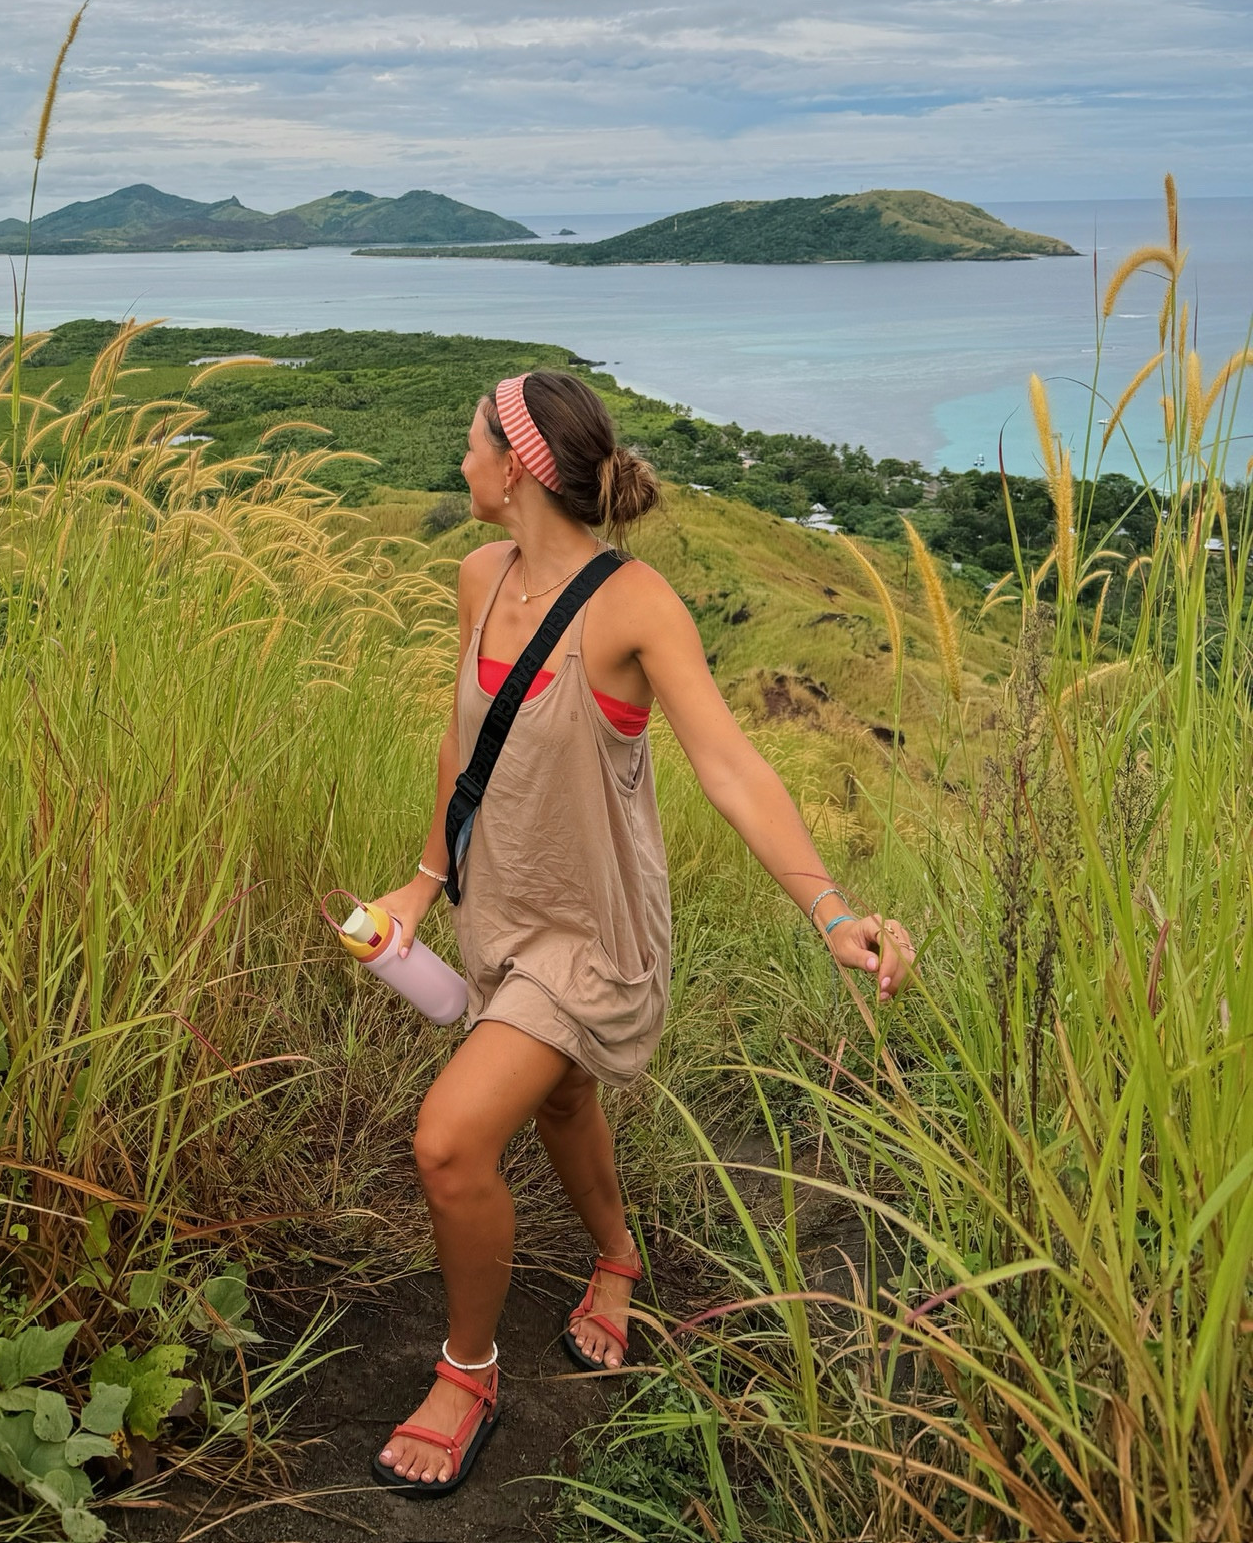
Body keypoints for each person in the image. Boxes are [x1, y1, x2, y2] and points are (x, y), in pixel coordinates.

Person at [369, 369, 916, 1496]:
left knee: (450, 1139)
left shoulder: (635, 604)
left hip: (596, 929)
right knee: (563, 1094)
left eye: (470, 439)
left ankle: (467, 1371)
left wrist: (830, 907)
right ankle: (618, 1255)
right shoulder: (479, 575)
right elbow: (458, 742)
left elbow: (731, 765)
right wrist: (427, 883)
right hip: (501, 906)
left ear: (514, 463)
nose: (458, 458)